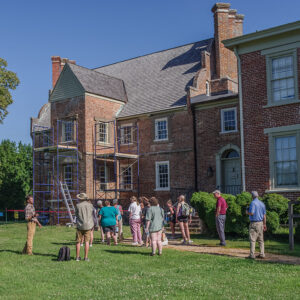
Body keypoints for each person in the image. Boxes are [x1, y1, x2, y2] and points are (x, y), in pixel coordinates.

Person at [246, 191, 267, 259]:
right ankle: (262, 254)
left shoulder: (253, 203)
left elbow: (251, 213)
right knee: (261, 239)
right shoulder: (262, 203)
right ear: (257, 196)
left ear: (252, 196)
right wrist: (264, 224)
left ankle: (252, 255)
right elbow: (264, 216)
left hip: (254, 223)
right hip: (261, 222)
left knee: (252, 239)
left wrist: (247, 212)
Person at [75, 193, 94, 262]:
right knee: (87, 241)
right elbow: (92, 214)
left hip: (80, 225)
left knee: (78, 241)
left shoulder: (77, 205)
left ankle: (77, 257)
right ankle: (85, 257)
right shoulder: (90, 205)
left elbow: (76, 215)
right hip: (88, 225)